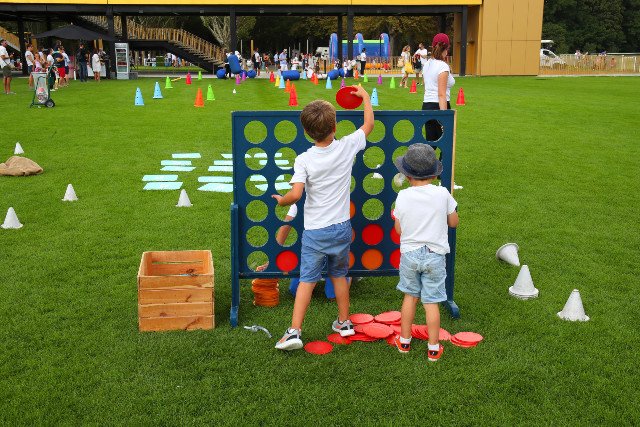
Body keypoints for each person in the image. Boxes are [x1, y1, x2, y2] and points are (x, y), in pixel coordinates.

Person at [272, 86, 374, 350]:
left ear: (306, 132)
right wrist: (365, 98)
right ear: (335, 126)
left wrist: (282, 200)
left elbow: (296, 194)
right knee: (339, 275)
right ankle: (344, 322)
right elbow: (368, 125)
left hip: (315, 232)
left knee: (307, 279)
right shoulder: (347, 146)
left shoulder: (304, 159)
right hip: (341, 229)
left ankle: (294, 331)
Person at [392, 143, 459, 362]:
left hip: (410, 254)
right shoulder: (442, 193)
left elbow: (399, 229)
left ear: (407, 174)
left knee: (410, 297)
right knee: (431, 302)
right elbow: (454, 222)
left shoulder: (402, 196)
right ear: (433, 173)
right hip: (435, 255)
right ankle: (433, 348)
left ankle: (404, 342)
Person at [421, 33, 455, 143]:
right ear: (447, 48)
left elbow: (426, 87)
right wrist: (443, 116)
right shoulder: (442, 66)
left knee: (431, 144)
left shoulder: (427, 64)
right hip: (439, 106)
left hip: (427, 105)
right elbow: (441, 94)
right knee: (445, 143)